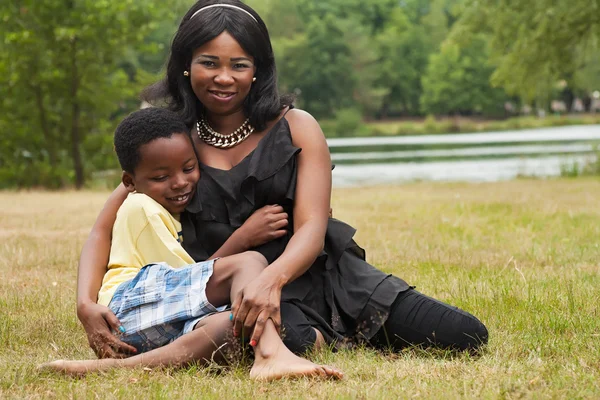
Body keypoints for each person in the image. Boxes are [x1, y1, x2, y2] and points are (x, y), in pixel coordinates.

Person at [77, 0, 488, 363]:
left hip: (325, 278)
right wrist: (84, 303)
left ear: (258, 70)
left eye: (239, 64)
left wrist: (271, 280)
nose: (224, 77)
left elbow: (312, 227)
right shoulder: (171, 143)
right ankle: (314, 340)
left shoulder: (298, 126)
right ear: (185, 65)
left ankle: (344, 331)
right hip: (236, 293)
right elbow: (103, 227)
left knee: (465, 334)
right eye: (209, 62)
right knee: (296, 341)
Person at [40, 108, 342, 380]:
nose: (180, 183)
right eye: (162, 176)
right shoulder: (141, 209)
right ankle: (270, 355)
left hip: (152, 320)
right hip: (125, 308)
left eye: (188, 169)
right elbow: (193, 276)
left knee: (231, 328)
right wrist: (242, 239)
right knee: (249, 263)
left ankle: (115, 368)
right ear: (129, 182)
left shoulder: (158, 207)